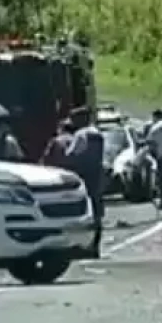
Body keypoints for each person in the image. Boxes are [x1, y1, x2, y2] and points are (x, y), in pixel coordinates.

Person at [65, 107, 105, 258]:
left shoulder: (80, 134)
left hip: (83, 177)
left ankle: (82, 246)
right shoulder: (97, 133)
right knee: (97, 213)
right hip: (97, 176)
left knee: (84, 211)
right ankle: (95, 246)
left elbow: (71, 154)